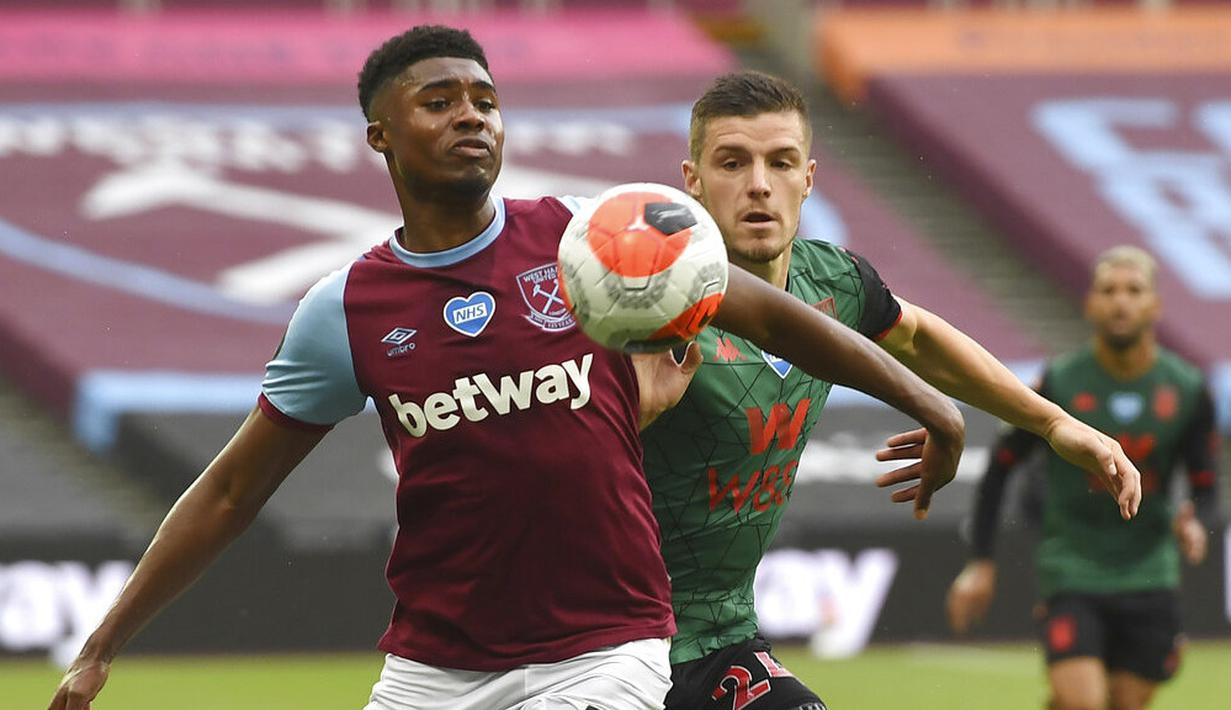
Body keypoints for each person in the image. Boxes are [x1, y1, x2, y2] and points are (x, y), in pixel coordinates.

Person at [49, 26, 977, 710]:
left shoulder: (593, 238)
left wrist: (932, 405)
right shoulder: (345, 310)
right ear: (380, 134)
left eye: (485, 101)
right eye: (440, 102)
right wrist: (101, 646)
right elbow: (228, 493)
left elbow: (776, 315)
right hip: (432, 667)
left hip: (603, 652)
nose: (471, 118)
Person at [638, 71, 1145, 710]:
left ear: (809, 178)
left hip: (720, 636)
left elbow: (918, 337)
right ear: (692, 180)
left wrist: (1052, 424)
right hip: (605, 643)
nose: (759, 183)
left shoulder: (836, 284)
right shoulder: (648, 304)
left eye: (781, 162)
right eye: (733, 162)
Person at [947, 246, 1220, 710]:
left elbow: (1206, 486)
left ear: (1154, 304)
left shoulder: (1189, 391)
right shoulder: (1059, 383)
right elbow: (1000, 468)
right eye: (1108, 290)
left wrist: (1197, 520)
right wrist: (982, 561)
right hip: (1072, 572)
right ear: (1090, 303)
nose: (1120, 302)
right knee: (1083, 704)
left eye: (1134, 291)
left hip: (1150, 575)